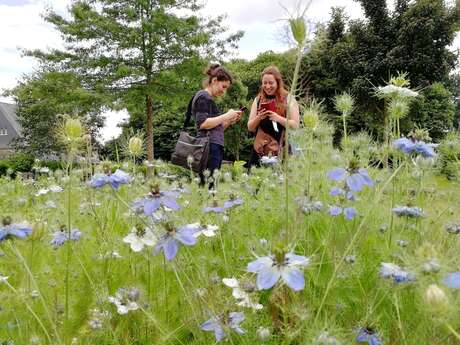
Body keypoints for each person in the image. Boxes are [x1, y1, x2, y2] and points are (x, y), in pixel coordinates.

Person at [192, 64, 242, 186]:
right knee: (209, 186)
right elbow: (203, 124)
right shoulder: (204, 96)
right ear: (214, 80)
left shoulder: (208, 98)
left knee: (211, 185)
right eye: (223, 86)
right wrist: (226, 115)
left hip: (214, 146)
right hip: (209, 148)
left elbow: (216, 128)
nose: (224, 91)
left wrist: (230, 120)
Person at [247, 65, 300, 168]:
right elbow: (250, 127)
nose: (267, 86)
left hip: (282, 149)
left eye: (271, 83)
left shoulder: (288, 98)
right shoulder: (257, 100)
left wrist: (278, 118)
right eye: (264, 83)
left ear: (278, 82)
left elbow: (295, 125)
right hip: (260, 149)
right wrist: (259, 117)